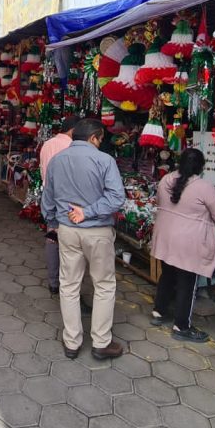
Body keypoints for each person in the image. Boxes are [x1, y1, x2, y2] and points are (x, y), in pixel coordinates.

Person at [41, 118, 127, 361]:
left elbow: (48, 197)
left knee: (68, 285)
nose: (100, 144)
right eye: (100, 139)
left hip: (67, 230)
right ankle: (101, 342)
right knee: (104, 285)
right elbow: (116, 198)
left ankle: (72, 342)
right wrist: (88, 211)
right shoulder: (104, 160)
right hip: (97, 231)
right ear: (94, 137)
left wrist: (52, 222)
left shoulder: (57, 161)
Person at [150, 148, 215, 343]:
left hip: (167, 236)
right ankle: (181, 325)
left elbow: (160, 202)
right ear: (201, 167)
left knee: (167, 274)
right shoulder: (204, 186)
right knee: (188, 283)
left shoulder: (166, 179)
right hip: (189, 242)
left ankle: (159, 312)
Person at [39, 116, 80, 296]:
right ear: (73, 130)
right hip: (67, 199)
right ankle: (68, 281)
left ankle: (53, 281)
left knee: (52, 237)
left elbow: (44, 171)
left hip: (49, 195)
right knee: (69, 241)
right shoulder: (72, 147)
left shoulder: (47, 144)